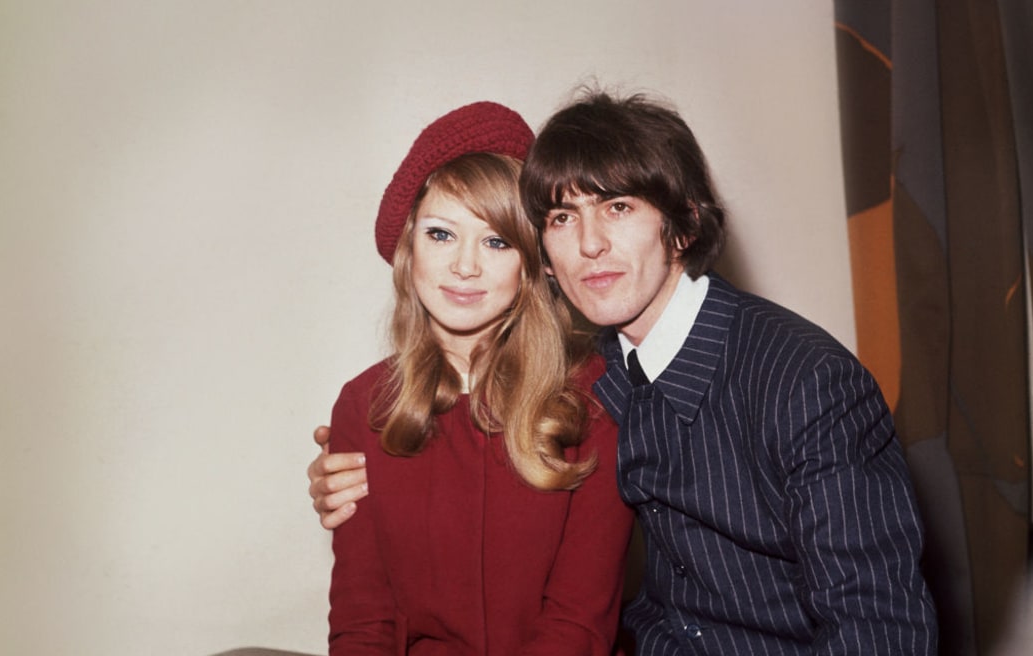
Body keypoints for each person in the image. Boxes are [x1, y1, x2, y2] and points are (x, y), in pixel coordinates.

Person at [310, 91, 938, 654]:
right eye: (562, 217)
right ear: (546, 256)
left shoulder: (803, 382)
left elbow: (878, 628)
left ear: (684, 225)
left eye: (618, 207)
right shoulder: (609, 370)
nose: (589, 244)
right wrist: (348, 473)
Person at [323, 101, 634, 655]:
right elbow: (362, 620)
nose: (465, 266)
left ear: (532, 262)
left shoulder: (594, 398)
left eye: (496, 241)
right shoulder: (363, 405)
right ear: (408, 248)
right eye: (441, 234)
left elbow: (579, 622)